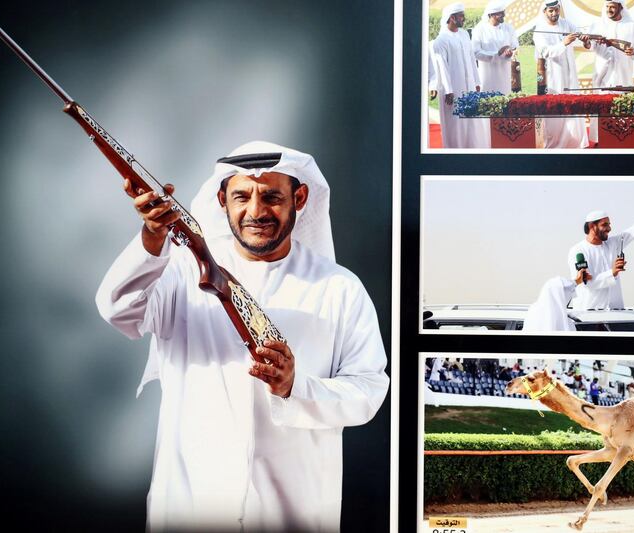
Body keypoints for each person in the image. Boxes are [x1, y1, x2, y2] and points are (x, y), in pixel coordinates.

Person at [95, 141, 389, 531]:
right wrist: (152, 237)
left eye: (271, 196)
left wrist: (294, 387)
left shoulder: (339, 288)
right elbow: (118, 308)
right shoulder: (183, 272)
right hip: (190, 503)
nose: (256, 211)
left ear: (299, 198)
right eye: (241, 196)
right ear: (222, 200)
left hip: (294, 508)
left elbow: (368, 391)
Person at [567, 188, 634, 310]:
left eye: (609, 224)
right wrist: (612, 272)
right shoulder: (578, 251)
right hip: (588, 314)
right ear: (592, 226)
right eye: (604, 225)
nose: (609, 228)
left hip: (615, 312)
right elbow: (587, 283)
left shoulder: (613, 244)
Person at [581, 0, 634, 145]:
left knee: (622, 103)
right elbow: (590, 45)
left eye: (613, 7)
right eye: (607, 6)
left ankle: (622, 136)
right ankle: (600, 140)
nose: (609, 9)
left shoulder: (632, 25)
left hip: (623, 71)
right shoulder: (597, 24)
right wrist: (586, 42)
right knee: (602, 103)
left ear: (620, 7)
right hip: (602, 73)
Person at [533, 0, 589, 148]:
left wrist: (584, 40)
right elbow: (545, 52)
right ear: (545, 12)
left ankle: (574, 143)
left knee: (572, 105)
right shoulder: (540, 29)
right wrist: (564, 43)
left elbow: (580, 35)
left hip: (569, 74)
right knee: (556, 108)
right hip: (553, 75)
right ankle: (555, 145)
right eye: (550, 11)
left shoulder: (566, 23)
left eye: (556, 10)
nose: (554, 14)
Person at [433, 3, 488, 148]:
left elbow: (471, 59)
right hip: (453, 88)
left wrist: (476, 81)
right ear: (452, 18)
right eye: (461, 16)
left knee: (470, 119)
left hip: (469, 84)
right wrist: (448, 90)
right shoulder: (442, 40)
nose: (464, 18)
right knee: (456, 122)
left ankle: (472, 147)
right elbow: (442, 67)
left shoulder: (464, 34)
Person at [472, 0, 520, 94]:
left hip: (505, 73)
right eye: (501, 13)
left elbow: (515, 47)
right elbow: (476, 53)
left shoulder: (508, 28)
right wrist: (496, 54)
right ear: (492, 14)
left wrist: (510, 52)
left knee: (505, 99)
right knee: (487, 100)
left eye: (503, 12)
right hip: (487, 74)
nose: (504, 15)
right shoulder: (479, 29)